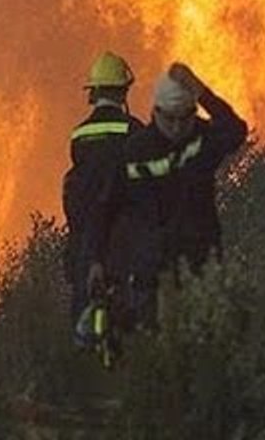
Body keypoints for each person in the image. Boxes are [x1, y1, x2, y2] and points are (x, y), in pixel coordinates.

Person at [88, 62, 247, 328]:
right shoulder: (134, 151)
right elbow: (105, 209)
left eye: (183, 118)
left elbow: (235, 130)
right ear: (155, 112)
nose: (175, 127)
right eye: (169, 118)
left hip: (201, 266)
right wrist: (96, 260)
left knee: (204, 344)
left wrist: (201, 91)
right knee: (157, 349)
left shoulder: (203, 140)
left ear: (193, 113)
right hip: (151, 274)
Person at [63, 51, 143, 336]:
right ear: (124, 92)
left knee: (85, 327)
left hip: (86, 245)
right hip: (124, 246)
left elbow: (78, 191)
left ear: (93, 92)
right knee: (128, 325)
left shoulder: (79, 135)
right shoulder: (134, 132)